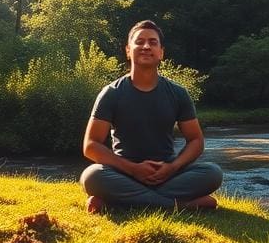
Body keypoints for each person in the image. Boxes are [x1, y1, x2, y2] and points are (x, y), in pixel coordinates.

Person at [80, 20, 223, 213]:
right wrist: (132, 169)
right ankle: (181, 206)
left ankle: (117, 204)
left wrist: (172, 167)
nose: (146, 46)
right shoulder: (111, 93)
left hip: (167, 173)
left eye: (153, 42)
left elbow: (196, 140)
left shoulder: (178, 93)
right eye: (139, 42)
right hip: (124, 172)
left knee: (212, 173)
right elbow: (90, 145)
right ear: (128, 50)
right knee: (92, 176)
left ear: (161, 52)